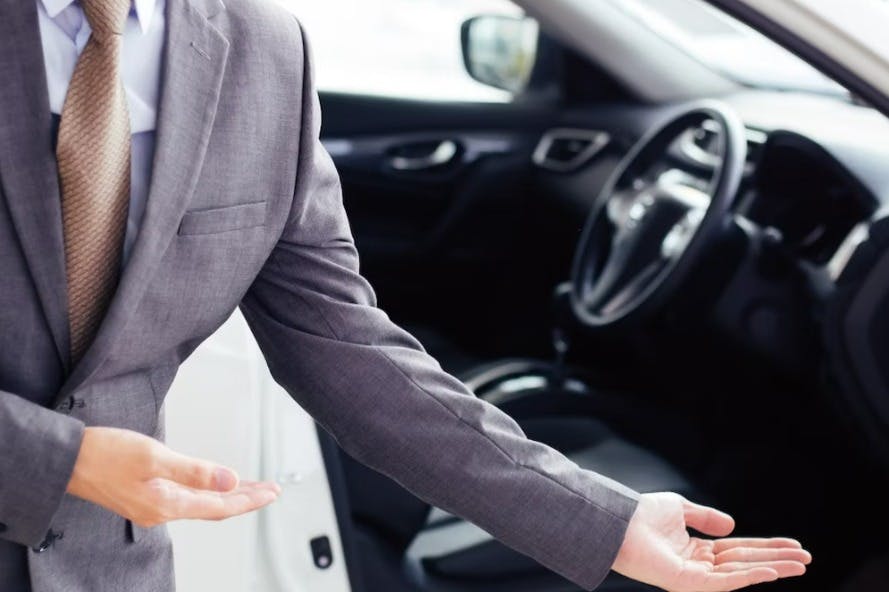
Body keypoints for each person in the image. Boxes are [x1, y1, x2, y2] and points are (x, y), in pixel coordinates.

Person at [0, 1, 811, 591]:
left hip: (107, 569)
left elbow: (346, 346)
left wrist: (605, 524)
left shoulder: (263, 51)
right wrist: (59, 461)